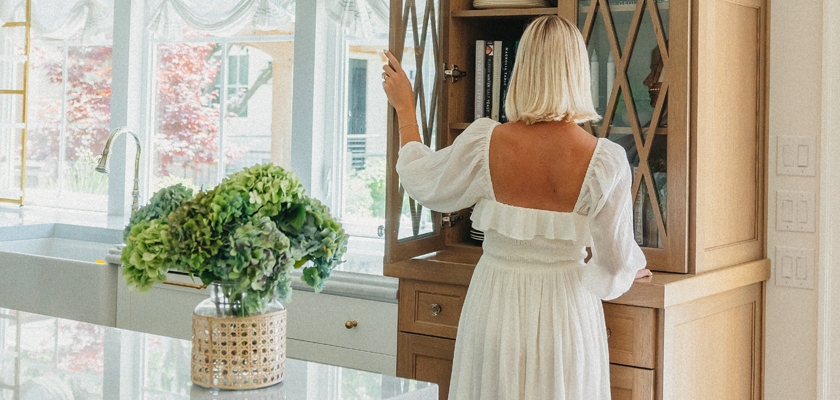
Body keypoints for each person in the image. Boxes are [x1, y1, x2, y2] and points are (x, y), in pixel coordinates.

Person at [382, 15, 650, 400]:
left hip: (496, 302)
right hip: (566, 312)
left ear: (521, 70)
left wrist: (406, 112)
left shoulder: (484, 141)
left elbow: (424, 182)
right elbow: (613, 265)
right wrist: (630, 269)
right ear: (577, 73)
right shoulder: (605, 160)